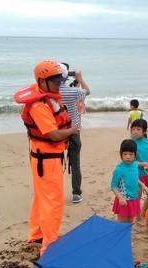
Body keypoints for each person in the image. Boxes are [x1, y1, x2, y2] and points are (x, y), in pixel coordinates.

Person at [14, 60, 78, 256]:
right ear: (42, 82)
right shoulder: (38, 106)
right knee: (53, 201)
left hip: (43, 157)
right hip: (46, 159)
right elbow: (54, 135)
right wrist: (73, 129)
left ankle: (36, 234)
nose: (60, 84)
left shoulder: (46, 98)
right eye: (56, 81)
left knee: (41, 198)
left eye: (61, 80)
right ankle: (49, 246)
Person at [59, 63, 90, 204]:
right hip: (73, 132)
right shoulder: (72, 92)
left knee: (56, 163)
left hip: (57, 131)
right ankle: (76, 193)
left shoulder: (51, 93)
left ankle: (55, 192)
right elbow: (87, 91)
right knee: (75, 164)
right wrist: (80, 78)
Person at [111, 139, 148, 223]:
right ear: (120, 154)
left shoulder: (135, 166)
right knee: (122, 225)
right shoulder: (119, 169)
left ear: (135, 155)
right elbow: (113, 186)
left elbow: (135, 179)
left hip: (133, 199)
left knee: (129, 223)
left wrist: (142, 185)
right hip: (123, 201)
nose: (128, 157)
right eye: (125, 154)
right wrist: (120, 198)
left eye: (131, 154)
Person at [130, 119, 148, 225]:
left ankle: (143, 213)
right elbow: (132, 162)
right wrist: (144, 164)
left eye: (138, 129)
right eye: (133, 129)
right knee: (137, 197)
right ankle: (137, 218)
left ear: (145, 131)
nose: (135, 131)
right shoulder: (132, 143)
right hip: (137, 175)